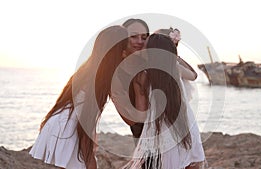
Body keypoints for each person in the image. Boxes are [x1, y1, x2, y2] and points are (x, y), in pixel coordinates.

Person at [29, 25, 128, 169]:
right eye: (124, 48)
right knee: (84, 163)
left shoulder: (88, 68)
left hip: (59, 120)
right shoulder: (100, 79)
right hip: (68, 126)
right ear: (118, 52)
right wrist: (90, 159)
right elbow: (86, 121)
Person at [123, 34, 206, 169]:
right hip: (186, 125)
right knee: (192, 163)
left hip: (162, 131)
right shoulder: (175, 67)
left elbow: (141, 114)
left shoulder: (141, 75)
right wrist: (175, 57)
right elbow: (193, 75)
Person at [121, 18, 150, 142]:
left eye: (144, 37)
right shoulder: (116, 69)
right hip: (141, 133)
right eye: (133, 36)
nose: (139, 41)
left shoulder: (153, 61)